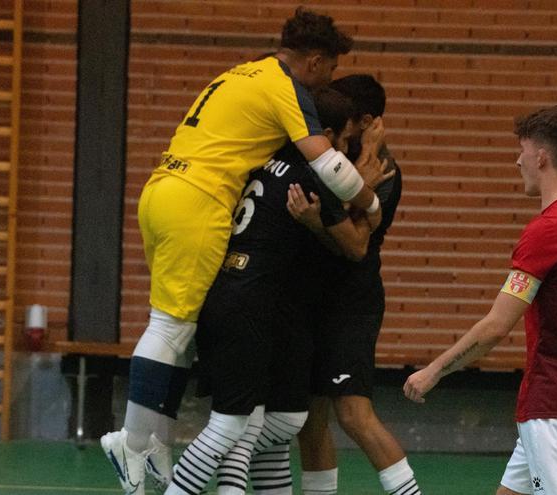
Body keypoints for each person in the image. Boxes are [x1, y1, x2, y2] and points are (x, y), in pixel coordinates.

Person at [100, 8, 386, 495]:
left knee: (180, 328)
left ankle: (155, 441)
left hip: (163, 190)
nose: (326, 83)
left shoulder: (239, 71)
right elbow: (330, 167)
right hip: (199, 200)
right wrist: (371, 199)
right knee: (169, 327)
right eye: (329, 70)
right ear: (316, 60)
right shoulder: (284, 86)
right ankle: (132, 439)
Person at [403, 105, 557, 495]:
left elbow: (496, 326)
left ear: (541, 157)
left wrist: (434, 371)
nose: (518, 160)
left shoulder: (549, 230)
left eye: (522, 151)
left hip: (554, 404)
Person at [169, 88, 383, 495]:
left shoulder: (259, 161)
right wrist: (368, 202)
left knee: (274, 424)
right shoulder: (316, 171)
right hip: (248, 303)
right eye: (345, 138)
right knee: (234, 428)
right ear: (329, 133)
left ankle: (234, 462)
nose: (346, 148)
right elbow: (355, 246)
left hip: (240, 298)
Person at [294, 74, 422, 495]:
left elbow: (356, 242)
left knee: (353, 415)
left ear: (366, 121)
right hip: (312, 300)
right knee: (309, 422)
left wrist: (326, 214)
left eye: (347, 117)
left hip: (351, 303)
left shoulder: (382, 168)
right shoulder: (330, 157)